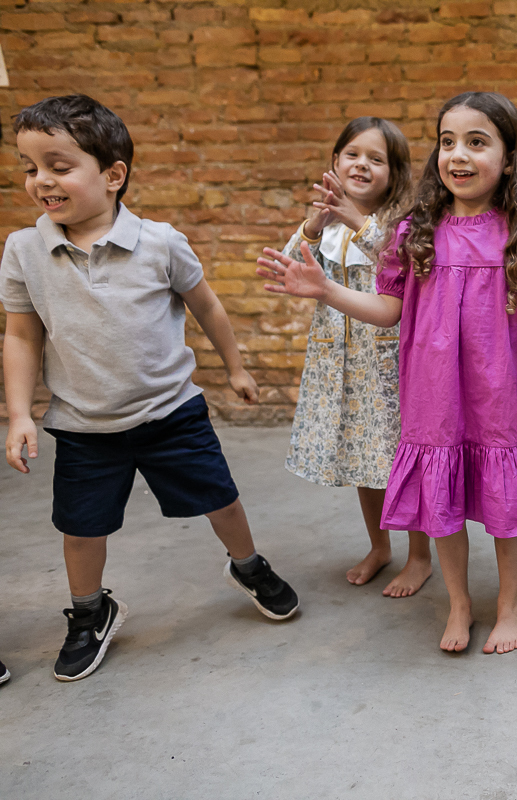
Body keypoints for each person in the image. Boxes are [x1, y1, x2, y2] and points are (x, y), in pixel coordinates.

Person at [259, 92, 517, 654]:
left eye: (477, 142)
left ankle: (508, 603)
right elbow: (389, 310)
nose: (458, 155)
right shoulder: (416, 231)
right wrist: (326, 289)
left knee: (501, 503)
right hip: (430, 393)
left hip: (495, 392)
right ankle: (457, 604)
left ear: (509, 157)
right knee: (441, 498)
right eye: (447, 141)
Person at [1, 95, 298, 682]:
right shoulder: (23, 250)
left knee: (221, 498)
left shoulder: (160, 242)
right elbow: (21, 335)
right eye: (29, 166)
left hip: (171, 413)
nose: (41, 181)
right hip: (84, 424)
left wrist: (236, 367)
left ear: (113, 176)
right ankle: (90, 611)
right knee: (81, 527)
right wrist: (19, 413)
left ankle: (248, 563)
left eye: (59, 166)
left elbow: (206, 305)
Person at [280, 117, 433, 597]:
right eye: (352, 154)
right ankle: (379, 546)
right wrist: (313, 224)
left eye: (376, 158)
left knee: (401, 461)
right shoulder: (324, 223)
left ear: (395, 172)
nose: (361, 165)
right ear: (334, 161)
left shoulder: (400, 222)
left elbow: (401, 260)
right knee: (364, 461)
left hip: (386, 366)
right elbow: (291, 263)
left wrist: (355, 220)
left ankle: (421, 556)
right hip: (339, 364)